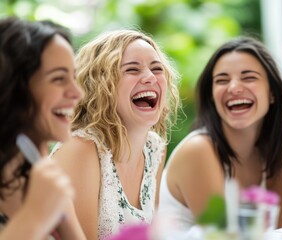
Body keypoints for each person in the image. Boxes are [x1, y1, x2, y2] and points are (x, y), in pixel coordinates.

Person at [50, 29, 180, 240]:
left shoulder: (155, 148)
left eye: (157, 68)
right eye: (132, 69)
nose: (150, 77)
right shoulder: (80, 148)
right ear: (100, 85)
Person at [158, 36, 282, 230]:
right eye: (222, 80)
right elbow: (224, 235)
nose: (234, 87)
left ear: (272, 93)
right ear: (211, 96)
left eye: (249, 77)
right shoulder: (198, 150)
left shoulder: (268, 153)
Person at [0, 17, 85, 239]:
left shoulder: (43, 177)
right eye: (59, 79)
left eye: (74, 77)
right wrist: (35, 216)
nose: (78, 93)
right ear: (15, 89)